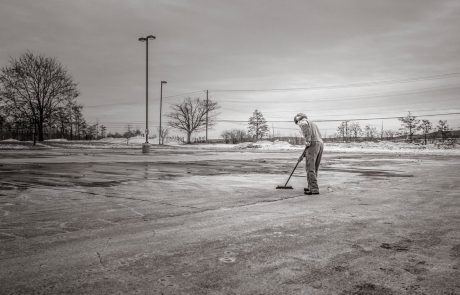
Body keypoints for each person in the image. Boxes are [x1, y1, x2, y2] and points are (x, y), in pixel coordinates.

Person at [294, 113, 324, 195]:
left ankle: (314, 189)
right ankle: (311, 186)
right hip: (320, 143)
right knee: (314, 167)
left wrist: (308, 141)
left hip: (313, 143)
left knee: (310, 167)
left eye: (297, 123)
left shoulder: (303, 122)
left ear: (298, 120)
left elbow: (307, 132)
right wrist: (303, 155)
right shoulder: (312, 123)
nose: (298, 125)